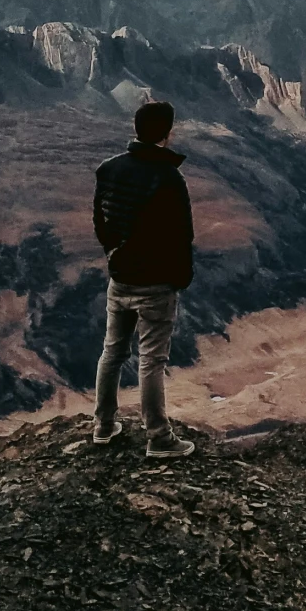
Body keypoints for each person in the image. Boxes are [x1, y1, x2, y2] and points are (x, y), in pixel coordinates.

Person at [91, 99, 196, 456]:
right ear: (166, 134)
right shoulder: (169, 177)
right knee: (151, 360)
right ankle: (159, 437)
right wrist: (180, 278)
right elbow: (183, 235)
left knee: (112, 352)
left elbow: (100, 222)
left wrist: (112, 255)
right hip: (156, 283)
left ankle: (103, 425)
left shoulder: (108, 170)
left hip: (119, 278)